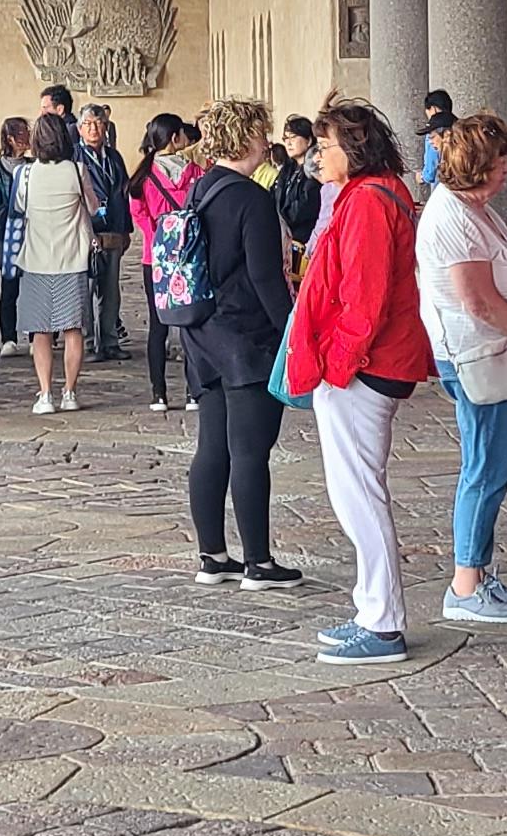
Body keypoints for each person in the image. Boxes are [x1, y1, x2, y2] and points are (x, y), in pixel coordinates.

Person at [291, 97, 435, 665]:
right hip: (374, 360)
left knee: (360, 496)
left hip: (366, 365)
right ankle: (371, 610)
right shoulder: (373, 193)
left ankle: (382, 622)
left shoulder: (368, 203)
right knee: (357, 491)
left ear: (352, 149)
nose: (318, 155)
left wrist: (337, 365)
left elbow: (363, 298)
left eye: (325, 146)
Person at [416, 114, 507, 623]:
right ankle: (465, 584)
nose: (506, 168)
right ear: (475, 165)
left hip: (491, 351)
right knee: (485, 467)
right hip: (475, 354)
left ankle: (479, 572)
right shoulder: (453, 217)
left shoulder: (473, 208)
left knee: (492, 464)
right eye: (498, 161)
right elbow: (478, 300)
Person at [180, 99, 298, 585]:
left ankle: (212, 556)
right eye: (262, 132)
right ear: (247, 137)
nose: (267, 141)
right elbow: (266, 278)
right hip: (247, 338)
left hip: (203, 333)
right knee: (250, 451)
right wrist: (292, 332)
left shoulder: (202, 188)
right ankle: (259, 562)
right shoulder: (252, 198)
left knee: (212, 447)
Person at [6, 112, 97, 412]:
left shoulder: (26, 174)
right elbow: (93, 207)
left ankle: (45, 394)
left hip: (36, 260)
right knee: (73, 329)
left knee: (40, 331)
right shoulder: (77, 170)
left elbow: (19, 207)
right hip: (72, 259)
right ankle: (70, 392)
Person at [131, 111, 199, 413]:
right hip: (189, 255)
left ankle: (158, 393)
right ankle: (192, 390)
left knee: (158, 326)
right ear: (175, 138)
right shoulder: (194, 172)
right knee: (191, 324)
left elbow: (138, 212)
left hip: (155, 258)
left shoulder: (144, 175)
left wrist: (156, 237)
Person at [79, 103, 132, 360]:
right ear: (80, 129)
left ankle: (110, 340)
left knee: (111, 291)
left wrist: (125, 229)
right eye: (88, 124)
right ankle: (89, 343)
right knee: (86, 290)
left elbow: (123, 193)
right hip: (87, 232)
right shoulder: (74, 157)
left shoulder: (114, 157)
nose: (94, 129)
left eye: (99, 123)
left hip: (113, 231)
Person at [0, 117, 32, 351]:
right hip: (8, 235)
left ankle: (36, 335)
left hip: (33, 234)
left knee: (34, 288)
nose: (27, 137)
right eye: (22, 133)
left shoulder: (34, 165)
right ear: (10, 139)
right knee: (9, 288)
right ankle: (8, 338)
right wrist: (17, 213)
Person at [271, 121, 322, 254]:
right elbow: (273, 195)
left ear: (309, 140)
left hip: (304, 244)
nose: (288, 143)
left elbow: (304, 206)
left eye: (293, 137)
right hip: (284, 240)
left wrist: (279, 219)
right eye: (285, 138)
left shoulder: (316, 170)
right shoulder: (287, 169)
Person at [419, 90, 454, 190]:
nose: (431, 141)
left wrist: (421, 177)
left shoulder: (434, 132)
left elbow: (429, 173)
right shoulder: (459, 127)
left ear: (433, 109)